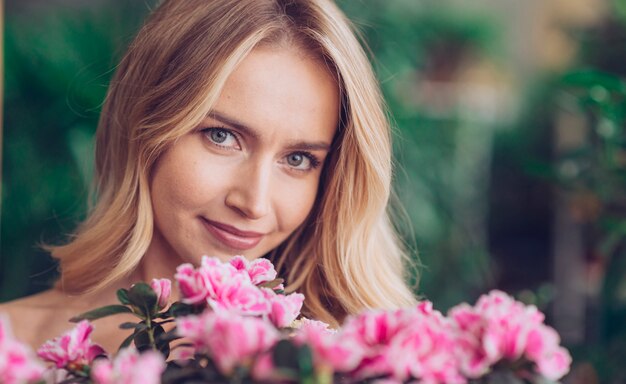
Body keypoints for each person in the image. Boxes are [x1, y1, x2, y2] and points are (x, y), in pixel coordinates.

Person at [0, 0, 417, 352]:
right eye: (222, 136)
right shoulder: (12, 346)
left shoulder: (350, 356)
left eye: (299, 159)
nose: (253, 202)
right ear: (145, 126)